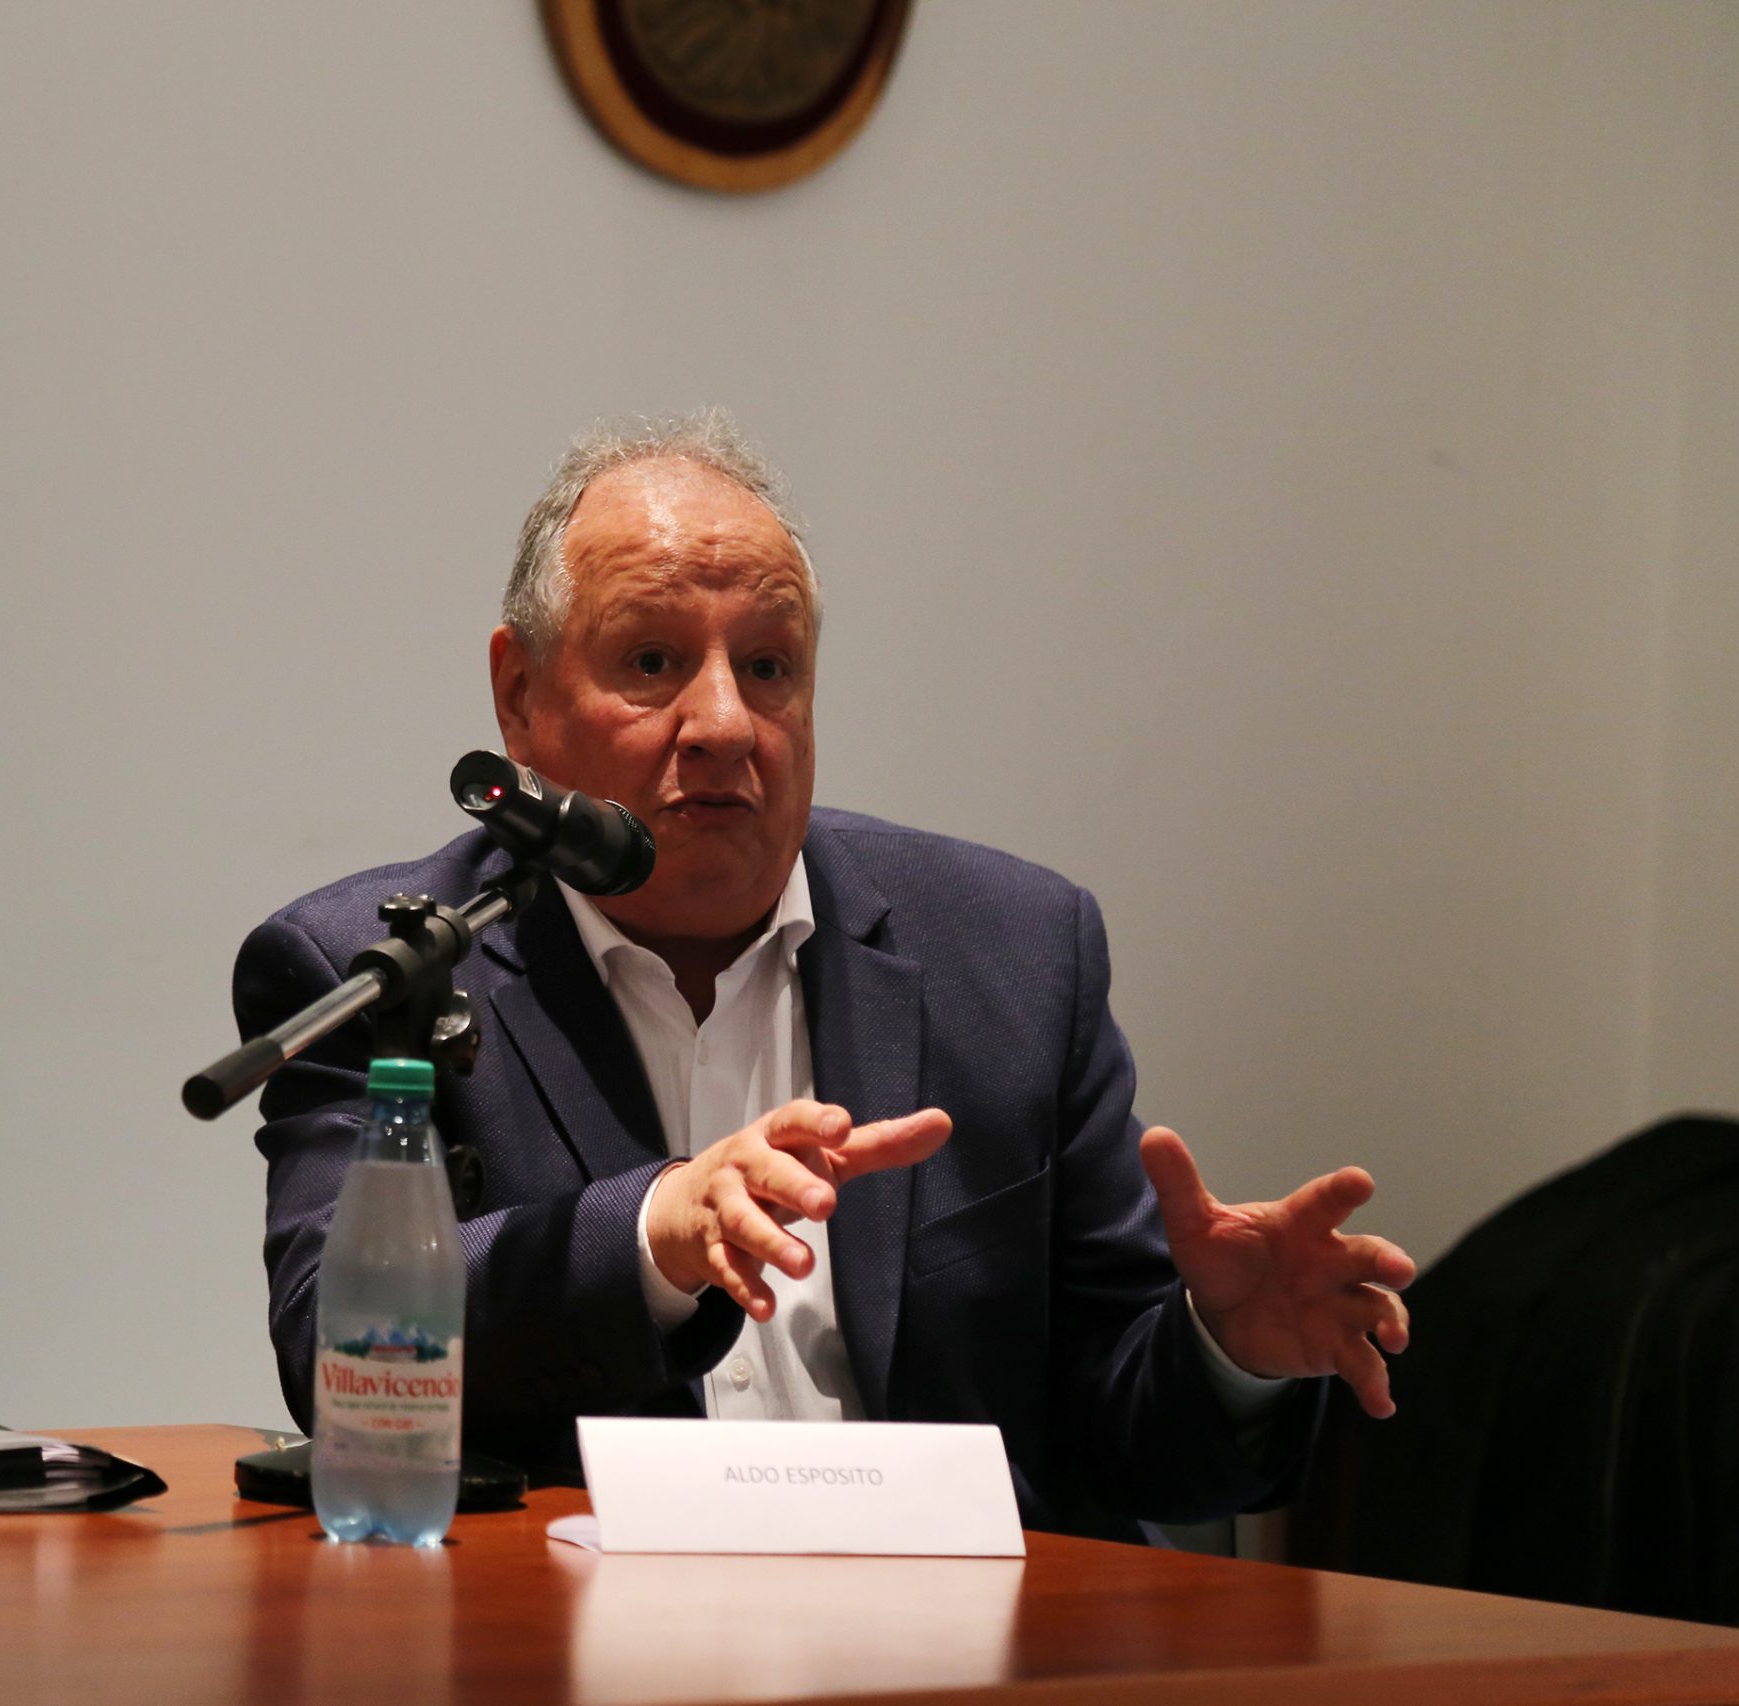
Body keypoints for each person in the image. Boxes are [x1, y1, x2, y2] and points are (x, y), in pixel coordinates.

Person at [238, 409, 1412, 1540]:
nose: (723, 722)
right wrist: (651, 1234)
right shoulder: (378, 970)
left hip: (969, 1636)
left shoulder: (1014, 952)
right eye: (651, 660)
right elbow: (336, 1350)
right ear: (519, 694)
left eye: (767, 666)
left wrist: (1226, 1346)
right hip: (586, 1632)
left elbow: (1125, 1436)